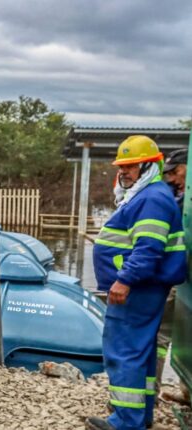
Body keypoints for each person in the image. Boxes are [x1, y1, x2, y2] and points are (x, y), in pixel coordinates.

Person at [86, 136, 186, 430]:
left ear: (148, 166)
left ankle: (125, 421)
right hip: (145, 287)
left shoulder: (152, 198)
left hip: (137, 288)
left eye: (131, 166)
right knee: (141, 350)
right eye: (122, 166)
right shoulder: (151, 194)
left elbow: (148, 248)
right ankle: (140, 415)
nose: (124, 172)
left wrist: (124, 280)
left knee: (124, 350)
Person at [157, 148, 190, 404]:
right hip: (180, 276)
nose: (173, 179)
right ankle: (186, 389)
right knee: (174, 332)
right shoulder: (179, 198)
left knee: (163, 334)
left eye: (176, 172)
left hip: (179, 276)